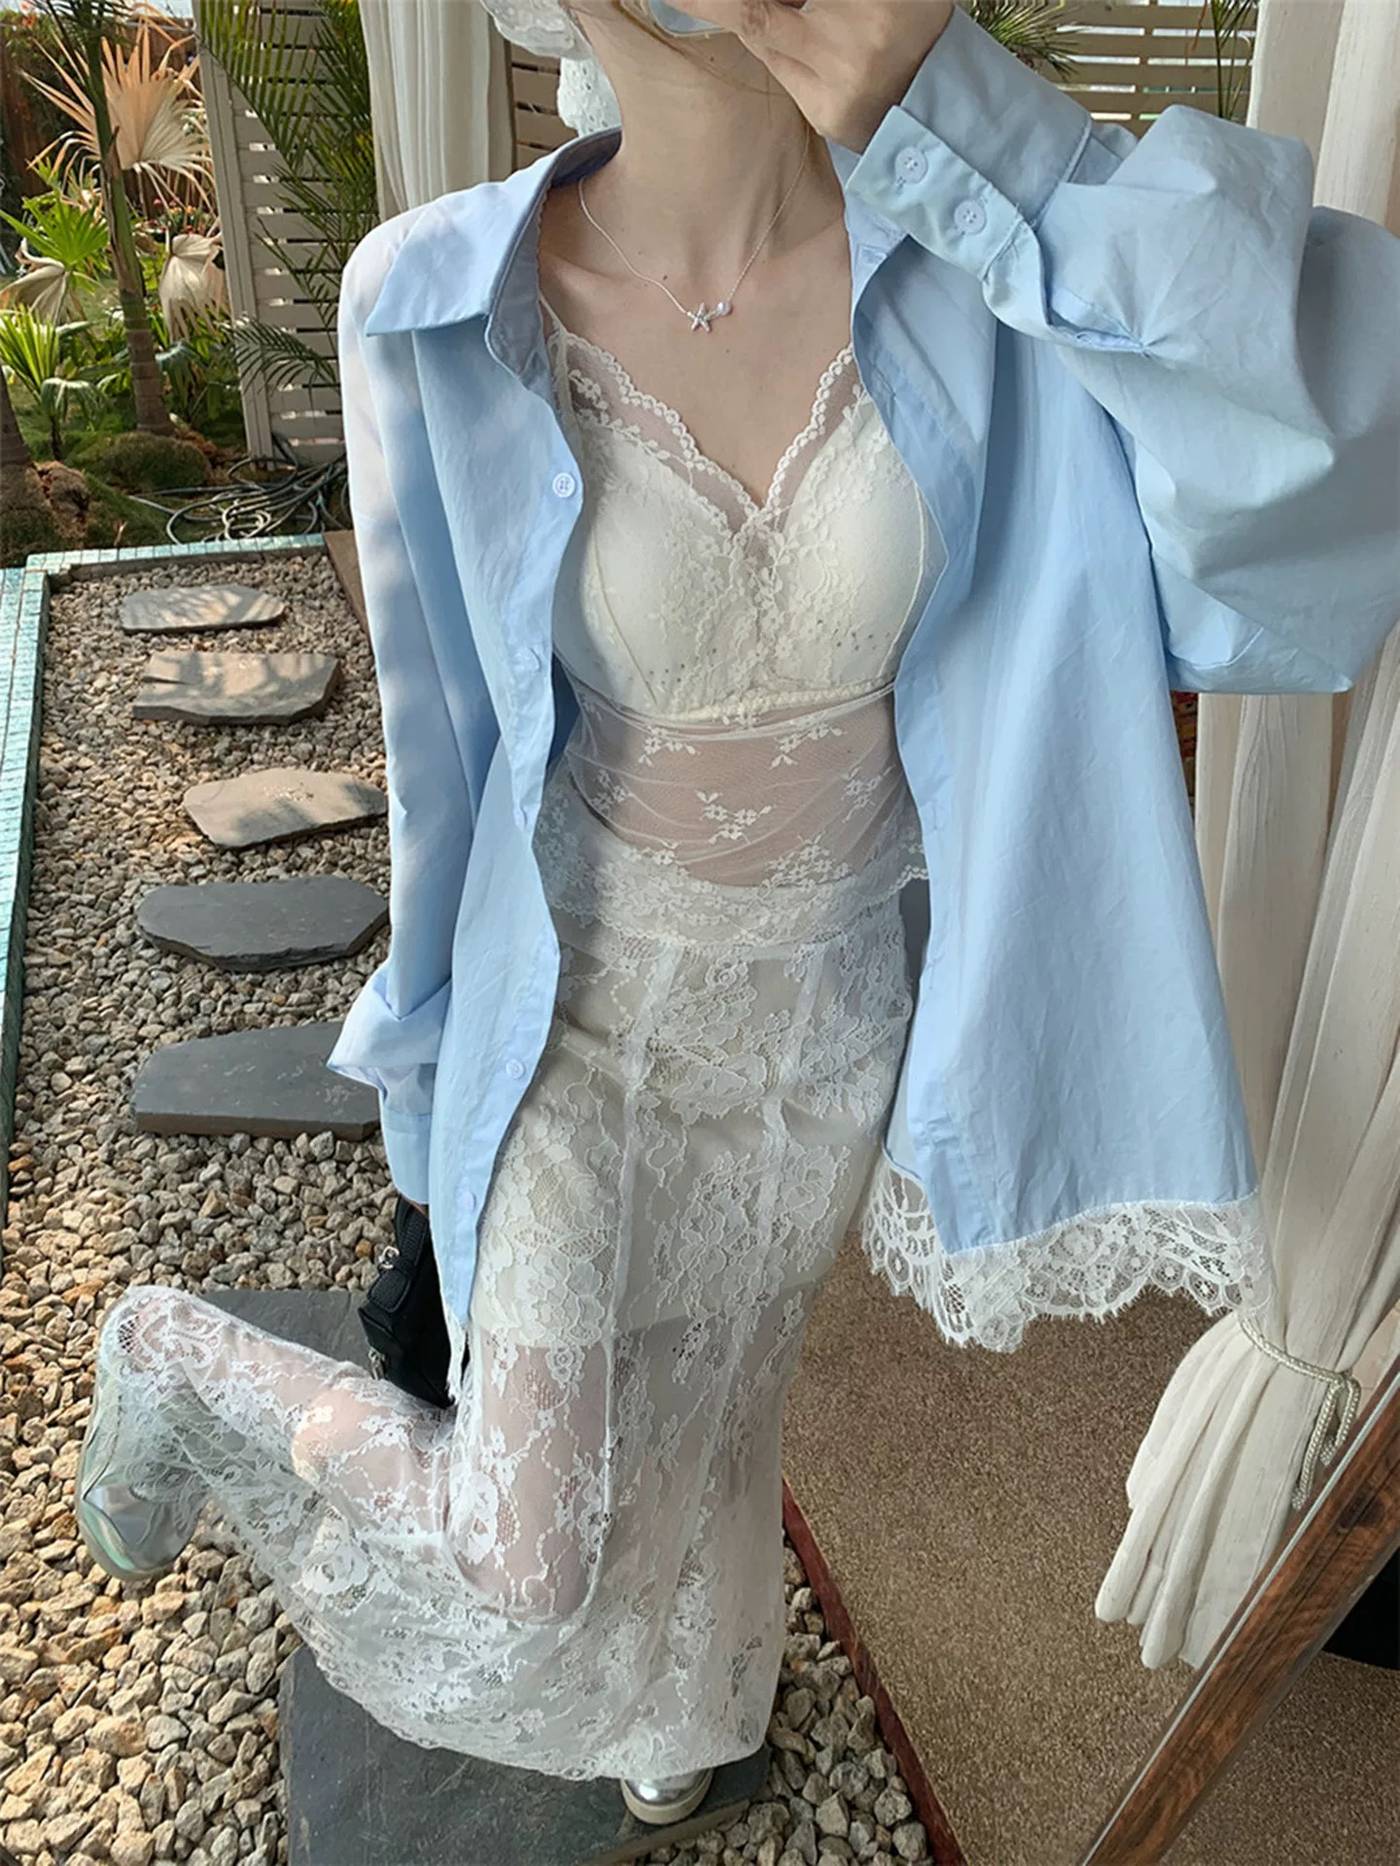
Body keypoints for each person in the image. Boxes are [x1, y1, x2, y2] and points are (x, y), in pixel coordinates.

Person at [74, 0, 1400, 1832]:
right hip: (581, 1025)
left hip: (825, 1018)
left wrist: (967, 120)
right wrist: (421, 1077)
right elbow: (439, 752)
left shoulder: (997, 269)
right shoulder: (432, 301)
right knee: (528, 1552)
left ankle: (689, 1694)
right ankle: (170, 1349)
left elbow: (1331, 446)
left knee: (719, 1386)